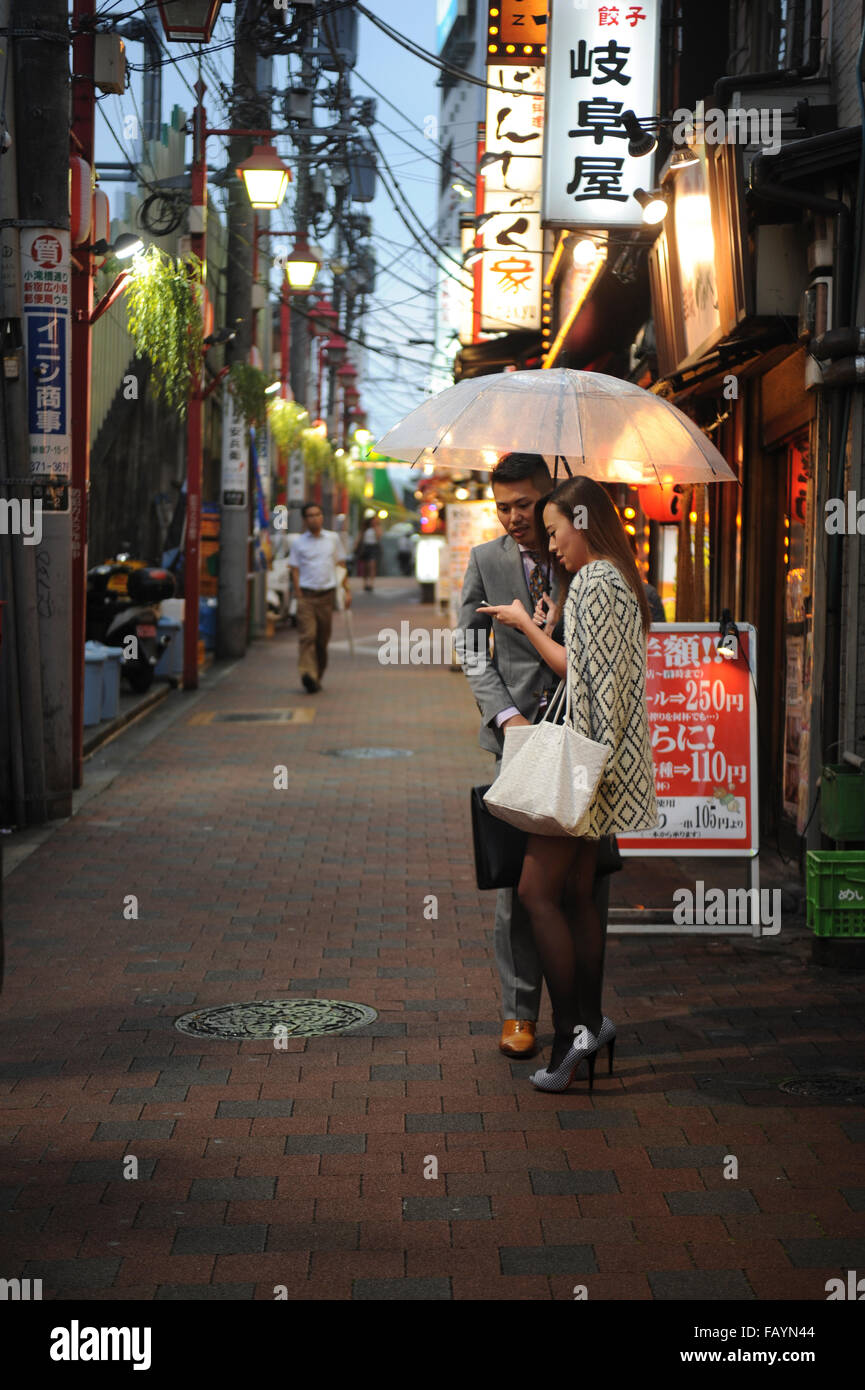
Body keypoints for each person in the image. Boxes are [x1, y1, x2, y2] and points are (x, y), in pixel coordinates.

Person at [480, 475, 658, 1092]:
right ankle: (592, 1024)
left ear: (583, 522)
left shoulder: (594, 583)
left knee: (536, 892)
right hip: (603, 762)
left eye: (556, 531)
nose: (551, 545)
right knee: (578, 895)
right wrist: (558, 624)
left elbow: (581, 682)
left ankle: (571, 1035)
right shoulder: (617, 580)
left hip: (581, 765)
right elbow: (595, 671)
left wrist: (525, 627)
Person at [457, 453, 615, 1062]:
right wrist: (507, 717)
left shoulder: (586, 557)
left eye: (524, 504)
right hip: (520, 743)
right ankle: (520, 1011)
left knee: (585, 884)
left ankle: (583, 1017)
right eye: (502, 507)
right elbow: (472, 649)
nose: (514, 517)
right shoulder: (486, 561)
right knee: (519, 886)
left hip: (585, 743)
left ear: (549, 496)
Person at [288, 502, 351, 693]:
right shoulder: (298, 543)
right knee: (307, 636)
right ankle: (308, 674)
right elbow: (294, 569)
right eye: (310, 516)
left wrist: (347, 591)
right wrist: (298, 593)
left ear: (322, 517)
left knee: (322, 640)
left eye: (317, 514)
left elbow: (341, 565)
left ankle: (317, 674)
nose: (314, 519)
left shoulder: (332, 539)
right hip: (306, 596)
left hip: (326, 596)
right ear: (304, 520)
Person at [356, 510, 381, 591]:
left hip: (373, 547)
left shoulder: (377, 528)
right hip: (365, 547)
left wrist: (376, 527)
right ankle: (365, 583)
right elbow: (359, 537)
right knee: (365, 567)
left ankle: (371, 583)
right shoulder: (365, 528)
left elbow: (379, 537)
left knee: (372, 566)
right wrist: (356, 546)